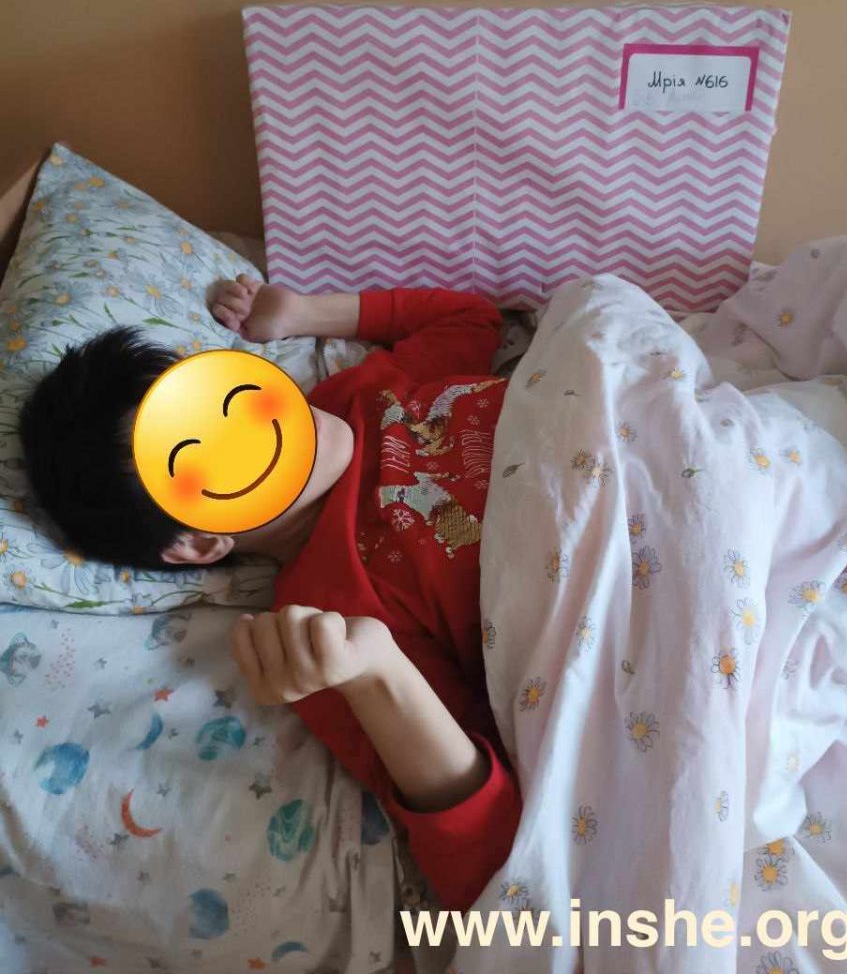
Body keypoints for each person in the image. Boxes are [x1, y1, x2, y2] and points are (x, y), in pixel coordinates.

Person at [19, 276, 520, 911]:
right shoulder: (326, 621)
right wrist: (377, 675)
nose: (258, 415)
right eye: (211, 449)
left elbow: (470, 320)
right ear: (198, 543)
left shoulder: (355, 393)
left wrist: (305, 313)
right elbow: (489, 858)